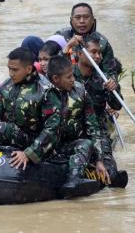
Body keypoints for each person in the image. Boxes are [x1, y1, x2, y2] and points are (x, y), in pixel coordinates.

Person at [0, 47, 60, 170]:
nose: (11, 73)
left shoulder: (45, 91)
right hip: (11, 134)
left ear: (28, 69)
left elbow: (52, 128)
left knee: (2, 128)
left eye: (15, 70)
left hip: (35, 140)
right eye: (9, 69)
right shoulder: (8, 84)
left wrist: (28, 154)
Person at [46, 55, 108, 197]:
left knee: (86, 144)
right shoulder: (42, 92)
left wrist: (99, 160)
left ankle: (74, 180)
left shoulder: (80, 92)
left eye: (73, 75)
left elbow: (92, 127)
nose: (73, 79)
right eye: (69, 77)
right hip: (44, 144)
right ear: (56, 79)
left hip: (69, 144)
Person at [73, 33, 127, 186]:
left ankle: (106, 175)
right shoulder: (67, 75)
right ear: (79, 54)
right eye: (94, 52)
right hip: (72, 128)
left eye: (100, 53)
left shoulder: (104, 78)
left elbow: (117, 105)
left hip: (97, 129)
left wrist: (112, 90)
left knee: (109, 168)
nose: (98, 56)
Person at [56, 3, 119, 80]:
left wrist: (111, 81)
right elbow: (49, 67)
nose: (82, 21)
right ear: (71, 20)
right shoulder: (59, 38)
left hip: (94, 84)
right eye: (77, 17)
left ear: (93, 20)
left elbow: (111, 73)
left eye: (86, 17)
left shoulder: (103, 43)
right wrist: (68, 46)